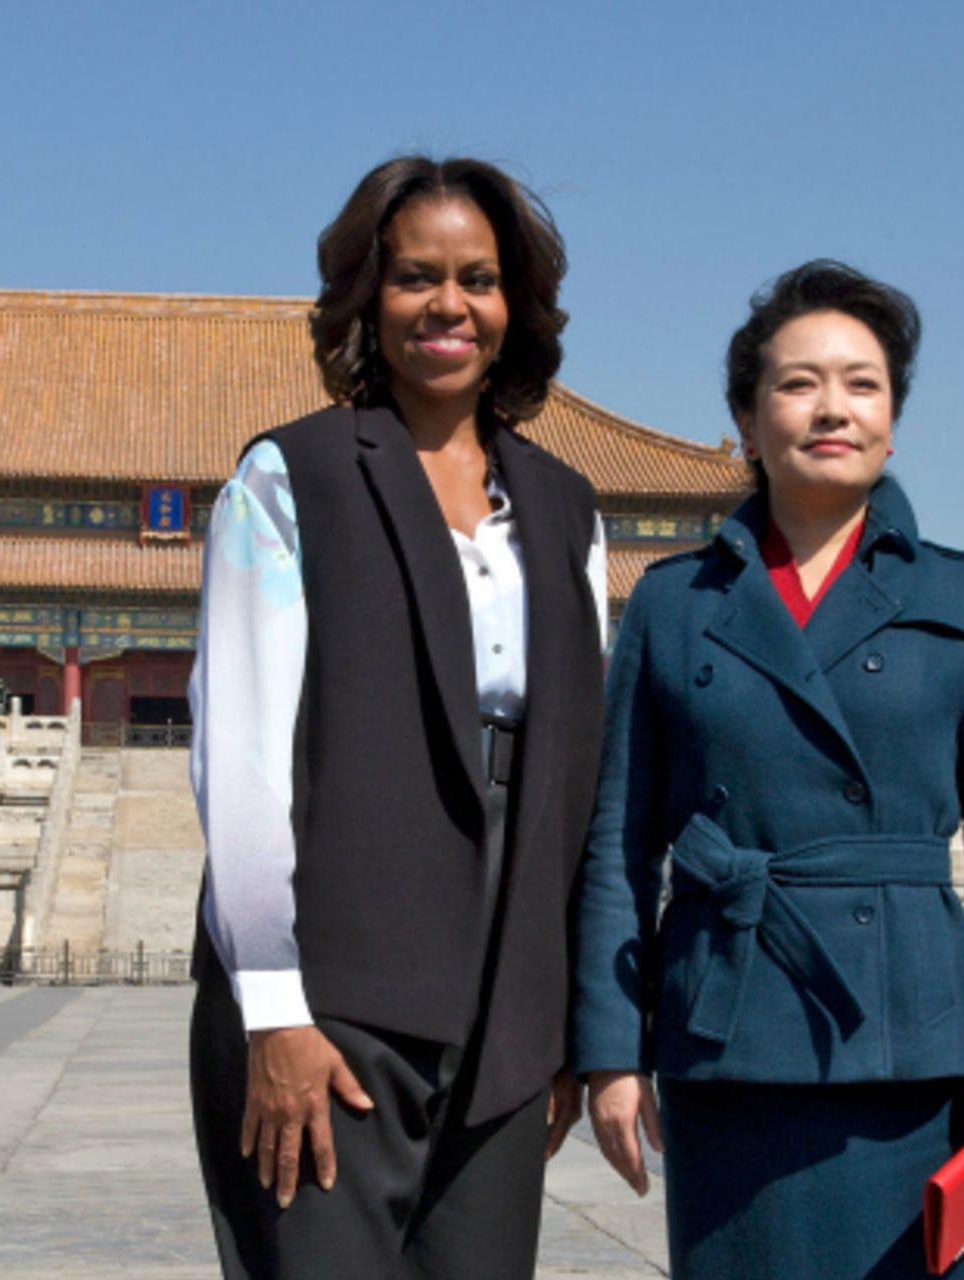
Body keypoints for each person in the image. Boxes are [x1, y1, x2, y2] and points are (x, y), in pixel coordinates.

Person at [571, 260, 964, 1278]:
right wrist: (611, 1048)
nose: (831, 407)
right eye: (797, 383)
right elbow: (618, 842)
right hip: (729, 1031)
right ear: (747, 421)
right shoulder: (673, 605)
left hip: (908, 1044)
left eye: (862, 383)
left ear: (894, 419)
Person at [189, 155, 609, 1280]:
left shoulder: (566, 506)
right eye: (416, 276)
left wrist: (566, 1017)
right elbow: (240, 758)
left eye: (477, 278)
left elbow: (577, 770)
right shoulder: (294, 477)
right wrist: (272, 1011)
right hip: (336, 1000)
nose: (448, 306)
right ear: (368, 299)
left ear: (514, 304)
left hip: (507, 1007)